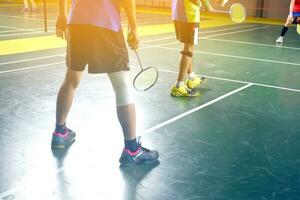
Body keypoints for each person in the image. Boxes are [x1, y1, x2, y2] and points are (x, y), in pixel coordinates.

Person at [51, 0, 159, 167]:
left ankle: (59, 132)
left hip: (77, 21)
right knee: (122, 85)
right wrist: (134, 27)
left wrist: (62, 13)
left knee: (71, 78)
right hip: (105, 23)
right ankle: (132, 150)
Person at [170, 0, 225, 97]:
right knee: (188, 49)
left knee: (188, 46)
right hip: (189, 14)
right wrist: (207, 5)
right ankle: (179, 86)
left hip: (177, 12)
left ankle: (192, 78)